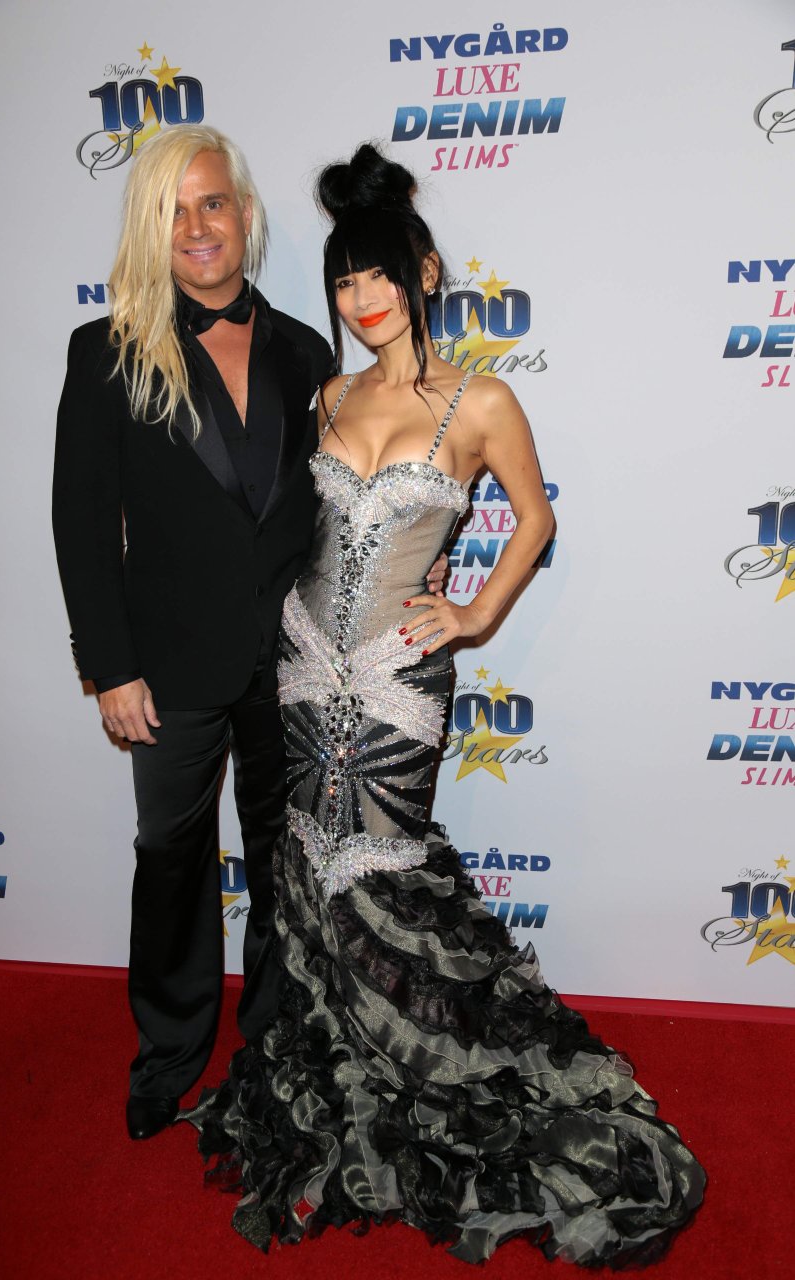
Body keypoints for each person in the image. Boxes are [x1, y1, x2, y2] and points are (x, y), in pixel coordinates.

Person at [183, 144, 706, 1267]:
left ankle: (442, 1070)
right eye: (344, 282)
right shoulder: (328, 394)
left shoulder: (481, 399)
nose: (361, 299)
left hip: (395, 677)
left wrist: (470, 616)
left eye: (379, 275)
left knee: (386, 869)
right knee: (308, 861)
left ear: (423, 273)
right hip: (300, 663)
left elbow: (534, 520)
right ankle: (339, 1068)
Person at [52, 125, 446, 1143]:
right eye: (174, 209)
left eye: (213, 202)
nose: (197, 226)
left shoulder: (306, 352)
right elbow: (82, 523)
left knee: (283, 863)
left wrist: (415, 560)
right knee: (171, 863)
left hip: (292, 663)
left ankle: (274, 1042)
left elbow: (337, 502)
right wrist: (110, 667)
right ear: (152, 227)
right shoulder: (106, 351)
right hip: (166, 669)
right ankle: (171, 1053)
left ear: (245, 215)